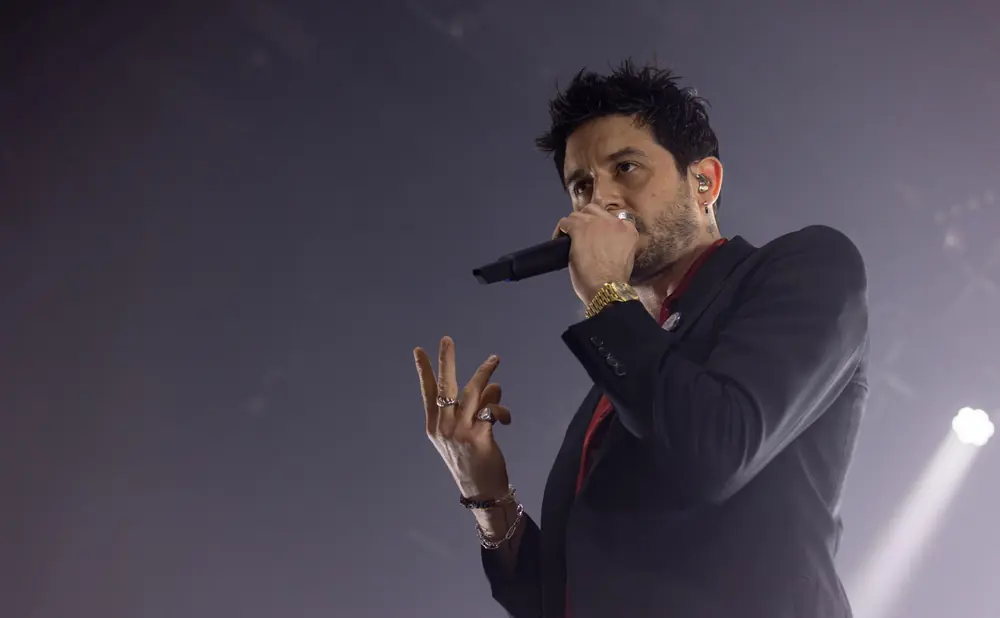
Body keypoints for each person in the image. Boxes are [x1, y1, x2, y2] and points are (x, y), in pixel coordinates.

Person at [412, 61, 869, 618]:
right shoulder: (616, 380)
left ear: (704, 182)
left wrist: (606, 295)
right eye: (582, 186)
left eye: (625, 168)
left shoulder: (806, 267)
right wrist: (486, 492)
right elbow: (561, 601)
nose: (600, 200)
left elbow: (717, 452)